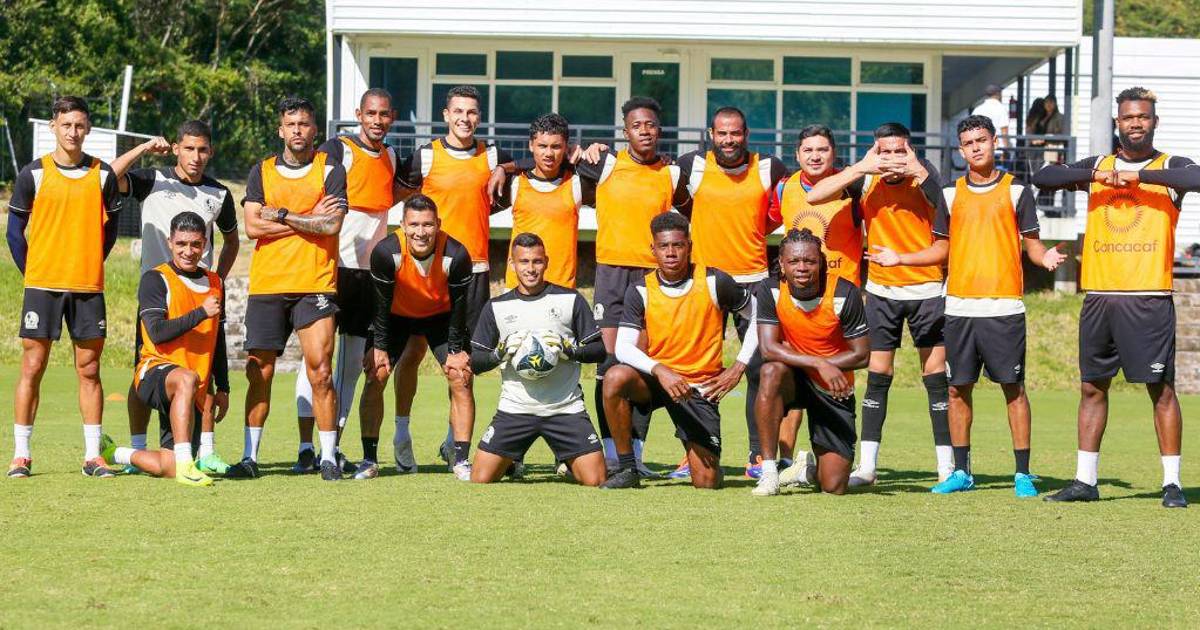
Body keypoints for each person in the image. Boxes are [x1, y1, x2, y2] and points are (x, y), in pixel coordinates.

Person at [871, 115, 1067, 497]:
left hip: (1003, 308)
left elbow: (1032, 244)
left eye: (982, 140)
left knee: (1013, 389)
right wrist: (901, 258)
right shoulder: (949, 194)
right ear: (961, 151)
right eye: (969, 143)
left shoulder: (1017, 191)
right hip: (959, 308)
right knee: (957, 391)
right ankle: (961, 472)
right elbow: (941, 248)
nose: (976, 147)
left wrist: (1044, 258)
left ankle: (1022, 474)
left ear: (994, 142)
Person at [492, 97, 690, 476]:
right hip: (611, 274)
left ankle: (635, 453)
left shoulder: (671, 172)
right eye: (636, 125)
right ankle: (609, 453)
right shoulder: (604, 164)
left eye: (650, 124)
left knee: (639, 364)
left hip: (650, 278)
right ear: (625, 130)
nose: (644, 131)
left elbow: (693, 207)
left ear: (659, 129)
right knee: (606, 363)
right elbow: (550, 164)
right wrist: (506, 165)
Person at [1034, 87, 1200, 508]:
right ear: (1117, 122)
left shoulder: (1169, 166)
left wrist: (1137, 178)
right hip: (1100, 297)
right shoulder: (1099, 166)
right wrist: (1094, 177)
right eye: (1128, 117)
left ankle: (1172, 484)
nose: (1135, 123)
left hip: (1148, 297)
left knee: (1160, 389)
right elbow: (1043, 176)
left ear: (1154, 121)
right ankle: (1085, 481)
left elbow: (1197, 177)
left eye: (1142, 116)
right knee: (1092, 388)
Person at [807, 122, 953, 486]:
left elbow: (950, 209)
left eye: (899, 151)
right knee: (877, 377)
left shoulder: (925, 177)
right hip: (881, 292)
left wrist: (919, 170)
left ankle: (948, 467)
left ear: (910, 151)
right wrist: (860, 167)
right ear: (875, 152)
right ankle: (868, 468)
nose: (891, 159)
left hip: (926, 289)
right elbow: (815, 196)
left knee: (935, 378)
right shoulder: (866, 179)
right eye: (884, 151)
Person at [227, 96, 348, 481]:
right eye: (291, 124)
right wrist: (308, 218)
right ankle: (249, 457)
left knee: (321, 372)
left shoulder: (331, 169)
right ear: (281, 130)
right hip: (269, 284)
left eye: (304, 124)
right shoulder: (261, 171)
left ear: (315, 129)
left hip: (315, 284)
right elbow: (252, 227)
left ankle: (327, 457)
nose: (298, 130)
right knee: (259, 372)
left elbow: (331, 226)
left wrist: (281, 214)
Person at [292, 88, 410, 475]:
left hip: (368, 276)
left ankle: (333, 447)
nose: (377, 121)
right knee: (316, 361)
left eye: (384, 114)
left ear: (392, 118)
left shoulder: (391, 157)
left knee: (349, 368)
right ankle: (305, 447)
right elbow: (307, 185)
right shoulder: (337, 149)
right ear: (359, 115)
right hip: (330, 270)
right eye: (370, 113)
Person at [110, 119, 238, 475]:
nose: (195, 156)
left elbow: (232, 241)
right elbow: (108, 178)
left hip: (199, 291)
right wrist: (143, 148)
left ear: (210, 152)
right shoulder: (153, 179)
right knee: (143, 372)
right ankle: (137, 449)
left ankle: (204, 451)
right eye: (189, 148)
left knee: (203, 368)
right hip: (157, 292)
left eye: (202, 150)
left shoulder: (219, 193)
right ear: (176, 149)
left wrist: (216, 282)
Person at [396, 85, 512, 467]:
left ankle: (452, 443)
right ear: (446, 115)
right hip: (427, 271)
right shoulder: (425, 156)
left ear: (479, 117)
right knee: (411, 353)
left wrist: (504, 168)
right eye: (458, 111)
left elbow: (525, 164)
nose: (465, 118)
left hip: (474, 271)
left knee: (463, 363)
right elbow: (396, 197)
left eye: (472, 112)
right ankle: (401, 433)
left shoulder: (491, 155)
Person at [7, 96, 121, 479]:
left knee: (89, 369)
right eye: (66, 124)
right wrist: (33, 272)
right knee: (32, 366)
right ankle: (21, 455)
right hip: (42, 286)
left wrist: (89, 262)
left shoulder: (103, 176)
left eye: (80, 125)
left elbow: (110, 233)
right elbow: (14, 232)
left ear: (88, 129)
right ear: (53, 126)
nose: (73, 132)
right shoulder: (33, 174)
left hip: (88, 287)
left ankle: (92, 457)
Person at [600, 213, 756, 490]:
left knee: (706, 482)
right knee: (615, 377)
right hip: (658, 381)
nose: (670, 253)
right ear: (654, 249)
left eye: (677, 245)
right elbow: (623, 347)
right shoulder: (640, 289)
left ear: (689, 246)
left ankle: (706, 459)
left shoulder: (715, 281)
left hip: (699, 387)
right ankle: (627, 468)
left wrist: (738, 367)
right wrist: (661, 370)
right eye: (664, 246)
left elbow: (759, 316)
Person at [674, 106, 787, 479]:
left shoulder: (769, 167)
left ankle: (758, 455)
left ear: (746, 134)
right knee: (696, 367)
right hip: (705, 281)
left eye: (735, 133)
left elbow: (786, 205)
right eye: (722, 133)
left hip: (753, 279)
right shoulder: (692, 166)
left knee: (758, 368)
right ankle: (694, 451)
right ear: (711, 134)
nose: (728, 140)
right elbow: (669, 197)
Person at [101, 212, 228, 486]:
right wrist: (201, 312)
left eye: (195, 244)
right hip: (155, 371)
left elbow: (218, 338)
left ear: (205, 244)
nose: (188, 251)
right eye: (181, 243)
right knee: (186, 378)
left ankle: (116, 453)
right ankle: (187, 466)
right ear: (170, 242)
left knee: (166, 467)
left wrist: (224, 387)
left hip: (192, 387)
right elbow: (157, 333)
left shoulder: (216, 283)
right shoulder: (155, 279)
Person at [469, 233, 607, 485]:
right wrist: (499, 353)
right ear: (512, 264)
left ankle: (566, 459)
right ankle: (512, 460)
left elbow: (599, 351)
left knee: (595, 479)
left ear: (546, 262)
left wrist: (570, 350)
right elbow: (476, 363)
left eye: (537, 261)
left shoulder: (570, 299)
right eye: (524, 262)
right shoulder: (497, 306)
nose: (531, 269)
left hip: (565, 408)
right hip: (515, 409)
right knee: (480, 478)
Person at [766, 124, 864, 471]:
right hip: (795, 299)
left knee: (837, 378)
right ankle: (783, 461)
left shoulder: (853, 185)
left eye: (822, 149)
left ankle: (839, 455)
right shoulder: (784, 187)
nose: (815, 156)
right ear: (797, 154)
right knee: (793, 371)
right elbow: (763, 225)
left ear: (834, 153)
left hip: (838, 302)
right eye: (808, 150)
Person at [359, 194, 475, 480]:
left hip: (440, 316)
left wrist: (456, 351)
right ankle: (372, 457)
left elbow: (460, 309)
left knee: (460, 376)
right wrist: (379, 347)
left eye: (427, 225)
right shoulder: (386, 252)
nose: (420, 232)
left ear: (438, 224)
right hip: (396, 316)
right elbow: (380, 306)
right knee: (376, 373)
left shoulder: (457, 255)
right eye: (413, 225)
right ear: (402, 225)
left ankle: (460, 459)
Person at [751, 228, 870, 496]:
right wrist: (819, 364)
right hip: (794, 379)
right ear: (782, 263)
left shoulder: (844, 292)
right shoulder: (770, 289)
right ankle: (769, 472)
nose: (802, 267)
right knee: (771, 371)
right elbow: (768, 348)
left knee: (834, 486)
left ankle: (803, 470)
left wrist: (824, 366)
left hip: (833, 388)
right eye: (794, 261)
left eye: (809, 261)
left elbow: (862, 354)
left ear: (821, 262)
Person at [494, 113, 581, 289]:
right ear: (531, 145)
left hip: (561, 288)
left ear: (566, 147)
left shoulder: (577, 182)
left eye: (556, 146)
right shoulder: (514, 182)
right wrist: (502, 167)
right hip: (518, 287)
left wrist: (594, 149)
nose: (548, 153)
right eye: (542, 146)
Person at [972, 84, 1010, 149]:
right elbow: (1004, 131)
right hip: (997, 148)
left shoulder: (977, 109)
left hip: (981, 148)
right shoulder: (1001, 109)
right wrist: (1006, 149)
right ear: (998, 94)